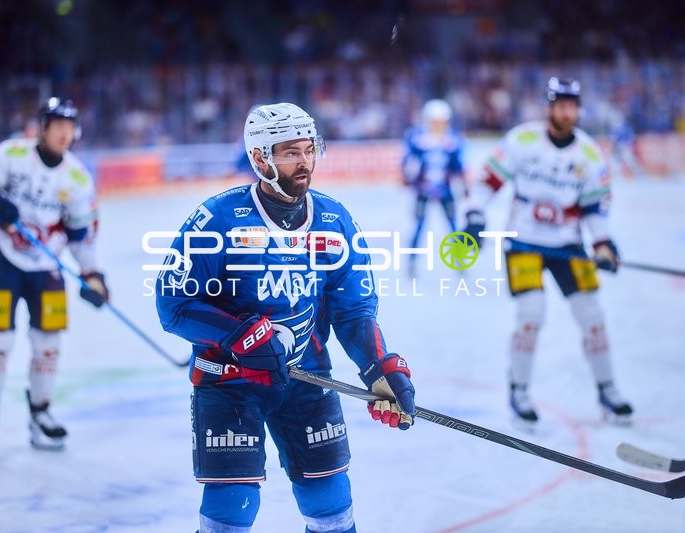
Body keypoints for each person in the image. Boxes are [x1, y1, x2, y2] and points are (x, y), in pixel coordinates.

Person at [155, 102, 416, 533]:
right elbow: (173, 303)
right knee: (231, 507)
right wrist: (241, 335)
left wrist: (379, 367)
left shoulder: (335, 219)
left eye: (309, 149)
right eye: (290, 152)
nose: (305, 162)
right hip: (229, 383)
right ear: (260, 157)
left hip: (306, 376)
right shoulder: (218, 219)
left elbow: (352, 310)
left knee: (330, 502)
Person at [463, 77, 633, 427]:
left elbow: (594, 208)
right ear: (549, 107)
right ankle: (520, 390)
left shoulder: (589, 154)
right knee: (532, 313)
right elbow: (486, 182)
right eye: (560, 105)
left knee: (593, 318)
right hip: (523, 242)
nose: (566, 112)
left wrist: (602, 243)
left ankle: (608, 388)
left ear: (578, 109)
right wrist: (475, 216)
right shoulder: (523, 140)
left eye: (572, 106)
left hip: (569, 247)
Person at [0, 97, 109, 450]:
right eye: (56, 125)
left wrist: (93, 275)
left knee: (49, 346)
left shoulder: (76, 178)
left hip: (47, 268)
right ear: (42, 128)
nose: (63, 133)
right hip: (3, 262)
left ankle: (40, 413)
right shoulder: (10, 155)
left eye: (69, 127)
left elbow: (81, 235)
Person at [402, 99, 466, 275]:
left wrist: (463, 182)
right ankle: (412, 261)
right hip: (423, 188)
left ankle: (459, 259)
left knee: (453, 224)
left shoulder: (453, 139)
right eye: (435, 122)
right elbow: (408, 162)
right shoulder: (417, 138)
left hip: (445, 188)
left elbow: (459, 165)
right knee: (419, 225)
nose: (438, 126)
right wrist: (409, 176)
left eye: (441, 122)